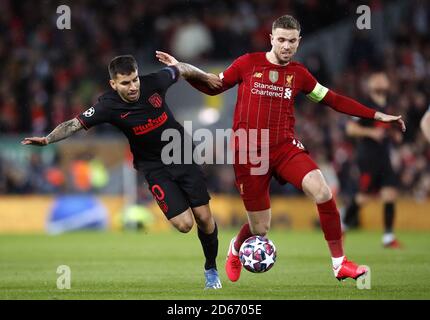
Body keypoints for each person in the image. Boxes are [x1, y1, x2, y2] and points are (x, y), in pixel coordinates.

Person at [156, 15, 406, 283]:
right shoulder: (248, 63)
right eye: (282, 40)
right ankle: (235, 248)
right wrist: (183, 70)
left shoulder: (300, 75)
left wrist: (376, 115)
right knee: (259, 229)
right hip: (251, 152)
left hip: (285, 147)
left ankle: (339, 263)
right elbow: (214, 86)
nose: (286, 46)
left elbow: (333, 100)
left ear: (299, 43)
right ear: (271, 39)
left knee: (322, 191)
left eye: (292, 41)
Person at [21, 55, 223, 289]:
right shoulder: (107, 106)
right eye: (125, 83)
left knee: (205, 219)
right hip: (153, 166)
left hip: (181, 154)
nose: (133, 87)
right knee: (185, 224)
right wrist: (47, 140)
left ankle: (211, 269)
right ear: (113, 84)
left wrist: (205, 76)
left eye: (135, 80)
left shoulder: (155, 82)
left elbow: (182, 69)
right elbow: (73, 124)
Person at [343, 71, 402, 248]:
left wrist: (394, 135)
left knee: (390, 194)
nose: (381, 81)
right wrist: (371, 133)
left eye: (383, 78)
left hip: (384, 155)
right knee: (364, 196)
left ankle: (388, 237)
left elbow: (388, 128)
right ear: (370, 85)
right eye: (376, 79)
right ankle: (342, 225)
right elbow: (350, 129)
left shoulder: (390, 105)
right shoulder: (365, 105)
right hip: (368, 156)